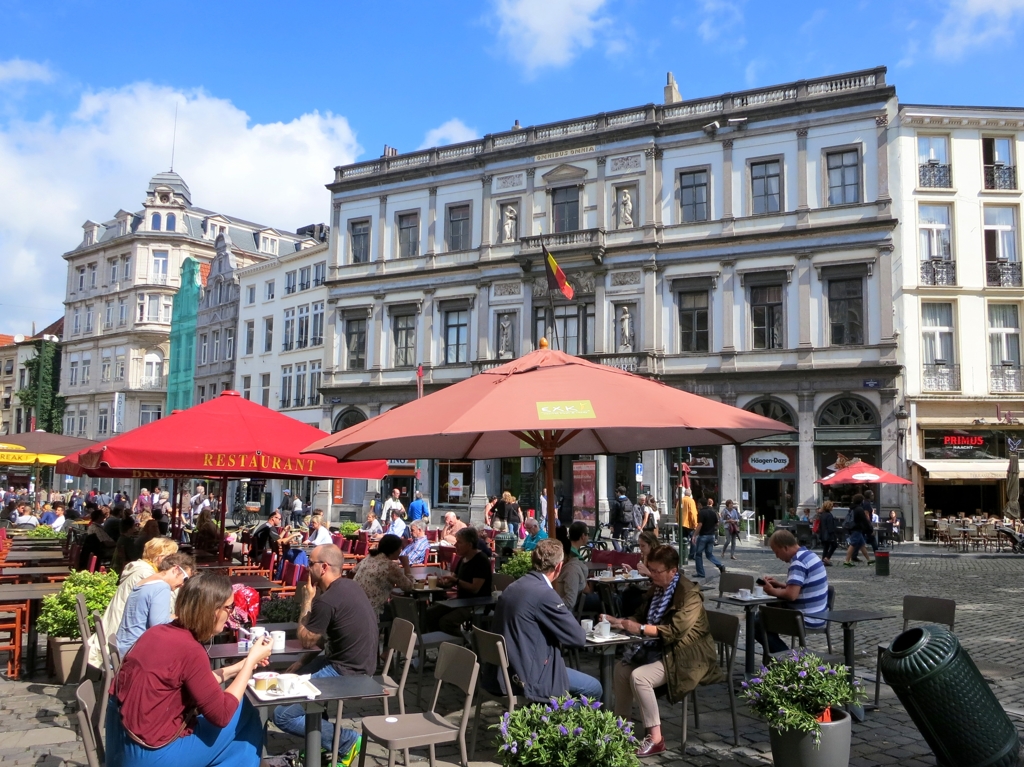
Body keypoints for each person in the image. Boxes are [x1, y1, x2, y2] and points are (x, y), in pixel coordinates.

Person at [105, 572, 273, 767]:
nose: (231, 612)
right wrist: (251, 660)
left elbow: (197, 682)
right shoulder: (190, 649)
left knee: (239, 745)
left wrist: (241, 666)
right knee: (245, 711)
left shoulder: (156, 633)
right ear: (214, 611)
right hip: (151, 755)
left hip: (122, 744)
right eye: (229, 607)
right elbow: (222, 715)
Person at [607, 545, 723, 757]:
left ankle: (656, 738)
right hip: (662, 650)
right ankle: (621, 728)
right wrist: (621, 622)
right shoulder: (657, 588)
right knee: (621, 669)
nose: (652, 575)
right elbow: (640, 616)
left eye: (656, 571)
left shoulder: (689, 594)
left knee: (640, 677)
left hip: (688, 655)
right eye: (650, 569)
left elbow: (675, 631)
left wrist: (640, 628)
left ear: (673, 570)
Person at [273, 545, 378, 764]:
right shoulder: (350, 586)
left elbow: (306, 639)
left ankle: (347, 741)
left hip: (349, 672)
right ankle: (319, 743)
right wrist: (302, 663)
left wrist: (307, 599)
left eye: (310, 563)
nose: (306, 567)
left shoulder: (326, 600)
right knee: (294, 678)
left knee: (281, 715)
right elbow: (322, 639)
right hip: (355, 663)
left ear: (324, 567)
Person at [486, 538, 601, 702]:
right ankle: (560, 724)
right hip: (529, 677)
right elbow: (578, 638)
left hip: (504, 673)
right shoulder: (545, 594)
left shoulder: (513, 586)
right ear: (559, 566)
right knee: (593, 688)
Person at [756, 529, 829, 654]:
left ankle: (788, 659)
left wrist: (771, 590)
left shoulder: (798, 563)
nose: (777, 556)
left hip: (805, 618)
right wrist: (781, 585)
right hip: (820, 615)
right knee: (765, 615)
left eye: (776, 552)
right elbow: (802, 587)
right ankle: (775, 658)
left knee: (757, 622)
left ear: (785, 548)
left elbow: (791, 595)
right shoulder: (810, 555)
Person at [116, 553, 195, 657]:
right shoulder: (162, 587)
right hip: (135, 652)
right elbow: (159, 626)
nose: (183, 585)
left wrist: (177, 616)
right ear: (175, 569)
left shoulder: (145, 582)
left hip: (123, 646)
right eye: (185, 579)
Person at [426, 527, 492, 635]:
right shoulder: (463, 558)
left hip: (476, 603)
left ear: (470, 545)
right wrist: (440, 582)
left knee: (446, 622)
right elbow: (454, 580)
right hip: (461, 601)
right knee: (429, 614)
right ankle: (443, 644)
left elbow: (475, 588)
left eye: (459, 542)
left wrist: (456, 581)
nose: (455, 545)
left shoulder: (481, 560)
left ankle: (463, 645)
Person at [353, 534, 415, 614]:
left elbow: (352, 572)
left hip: (355, 606)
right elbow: (409, 587)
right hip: (374, 611)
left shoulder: (369, 557)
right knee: (405, 609)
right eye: (400, 549)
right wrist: (406, 565)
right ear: (394, 550)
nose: (400, 551)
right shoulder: (390, 566)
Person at [554, 521, 600, 613]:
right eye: (587, 534)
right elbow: (573, 599)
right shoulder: (571, 568)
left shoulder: (570, 568)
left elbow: (569, 601)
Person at [693, 499, 726, 579]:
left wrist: (694, 535)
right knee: (709, 554)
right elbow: (717, 523)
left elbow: (700, 525)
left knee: (698, 554)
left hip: (703, 536)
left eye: (698, 504)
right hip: (711, 536)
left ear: (700, 505)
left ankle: (701, 573)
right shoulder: (713, 512)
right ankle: (720, 565)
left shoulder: (701, 513)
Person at [843, 494, 874, 567]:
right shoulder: (859, 509)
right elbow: (864, 520)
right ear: (861, 501)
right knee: (853, 544)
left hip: (854, 528)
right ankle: (847, 561)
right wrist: (870, 529)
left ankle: (869, 560)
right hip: (857, 529)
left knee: (862, 545)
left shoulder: (852, 508)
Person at [677, 487, 699, 562]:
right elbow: (692, 513)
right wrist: (695, 524)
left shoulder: (680, 500)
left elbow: (677, 512)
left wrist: (678, 521)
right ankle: (691, 555)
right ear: (690, 494)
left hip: (681, 523)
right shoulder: (691, 501)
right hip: (689, 524)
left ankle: (682, 554)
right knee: (693, 540)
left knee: (683, 539)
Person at [817, 501, 839, 566]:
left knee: (826, 547)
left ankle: (824, 559)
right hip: (829, 534)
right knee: (834, 545)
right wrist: (833, 534)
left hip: (823, 533)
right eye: (832, 506)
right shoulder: (829, 515)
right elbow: (830, 526)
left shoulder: (822, 515)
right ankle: (827, 558)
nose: (833, 508)